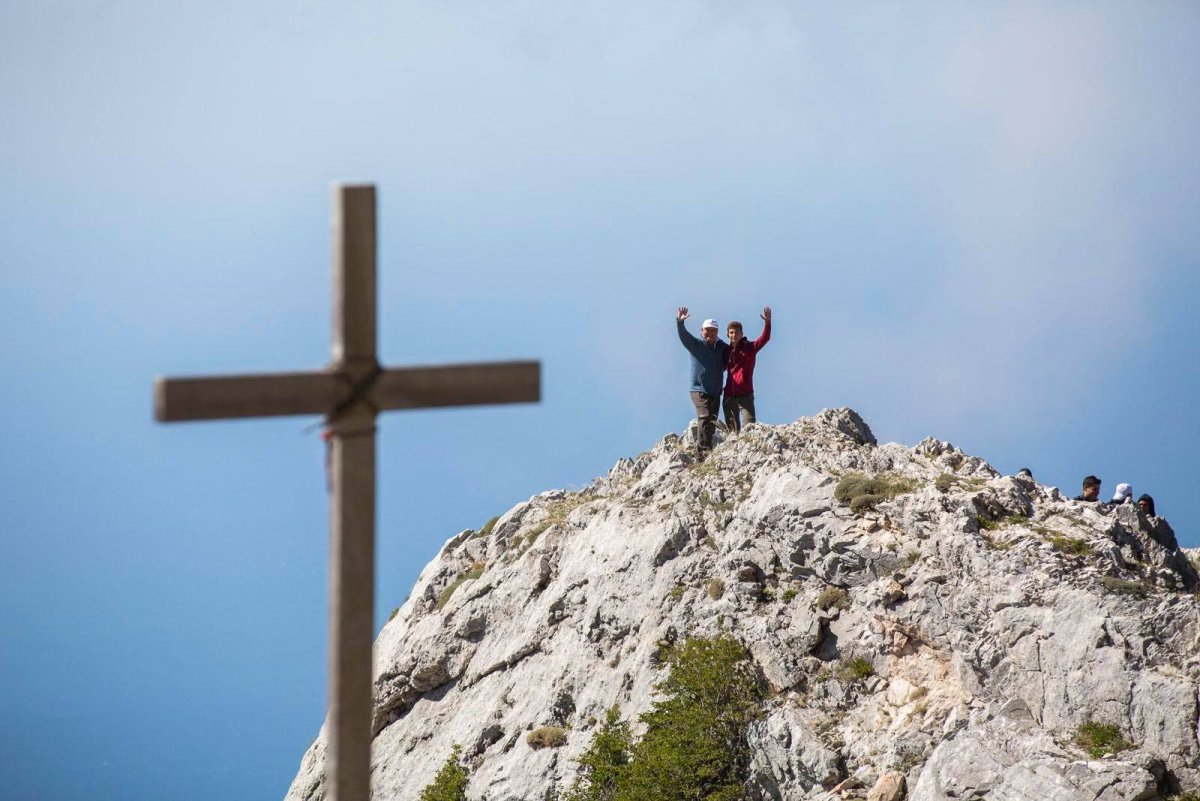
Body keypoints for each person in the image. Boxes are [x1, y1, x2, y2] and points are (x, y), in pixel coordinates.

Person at [676, 307, 729, 458]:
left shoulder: (722, 348)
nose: (710, 333)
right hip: (698, 390)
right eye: (707, 330)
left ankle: (707, 451)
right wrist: (680, 322)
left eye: (713, 331)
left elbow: (734, 352)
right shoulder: (697, 345)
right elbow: (684, 337)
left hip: (715, 391)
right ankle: (702, 454)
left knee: (711, 422)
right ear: (701, 331)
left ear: (717, 333)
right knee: (704, 416)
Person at [723, 307, 772, 433]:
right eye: (731, 332)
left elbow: (764, 339)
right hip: (729, 396)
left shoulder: (749, 348)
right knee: (732, 432)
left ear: (742, 334)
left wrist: (767, 323)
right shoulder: (726, 351)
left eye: (737, 332)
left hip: (746, 395)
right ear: (728, 334)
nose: (734, 335)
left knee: (749, 428)